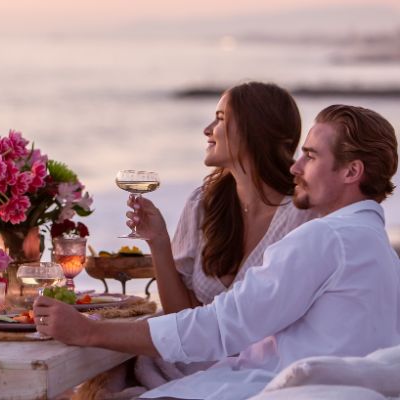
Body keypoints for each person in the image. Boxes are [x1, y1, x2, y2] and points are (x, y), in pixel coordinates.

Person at [35, 104, 400, 400]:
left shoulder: (325, 238)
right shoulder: (378, 249)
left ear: (352, 171)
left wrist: (87, 332)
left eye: (311, 156)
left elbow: (221, 327)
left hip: (265, 388)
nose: (295, 167)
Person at [90, 81, 318, 397]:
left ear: (256, 131)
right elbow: (180, 315)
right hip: (186, 360)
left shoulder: (303, 217)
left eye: (221, 118)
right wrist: (158, 241)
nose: (208, 129)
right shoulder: (204, 205)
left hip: (258, 371)